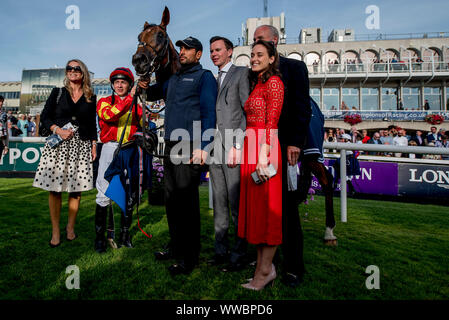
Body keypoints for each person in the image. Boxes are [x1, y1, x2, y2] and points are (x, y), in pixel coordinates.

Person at [139, 36, 217, 275]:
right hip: (171, 144)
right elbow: (152, 94)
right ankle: (175, 247)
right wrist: (143, 80)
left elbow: (209, 114)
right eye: (181, 48)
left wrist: (205, 147)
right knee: (171, 200)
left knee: (187, 203)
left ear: (198, 54)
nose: (182, 52)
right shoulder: (173, 78)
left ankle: (189, 258)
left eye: (188, 49)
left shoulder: (204, 78)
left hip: (191, 144)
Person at [253, 25, 312, 287]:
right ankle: (264, 266)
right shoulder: (254, 73)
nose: (256, 45)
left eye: (261, 40)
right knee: (264, 210)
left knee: (286, 209)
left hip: (284, 145)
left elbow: (302, 107)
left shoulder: (295, 68)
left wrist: (296, 143)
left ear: (275, 43)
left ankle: (293, 267)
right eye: (254, 41)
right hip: (259, 147)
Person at [33, 59, 97, 247]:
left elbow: (92, 123)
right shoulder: (58, 92)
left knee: (75, 190)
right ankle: (55, 230)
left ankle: (70, 227)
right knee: (55, 189)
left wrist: (94, 144)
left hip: (81, 145)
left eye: (77, 68)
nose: (73, 71)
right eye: (69, 68)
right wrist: (58, 130)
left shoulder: (90, 96)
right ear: (66, 72)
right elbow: (44, 117)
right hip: (59, 143)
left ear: (83, 72)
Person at [238, 39, 284, 291]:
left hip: (264, 148)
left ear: (271, 58)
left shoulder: (274, 83)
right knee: (257, 213)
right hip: (251, 146)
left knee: (267, 213)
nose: (254, 58)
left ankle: (265, 271)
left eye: (259, 55)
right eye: (252, 54)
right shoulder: (258, 83)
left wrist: (264, 155)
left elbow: (272, 122)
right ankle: (262, 269)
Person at [208, 36, 249, 271]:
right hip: (214, 148)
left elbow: (246, 111)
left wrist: (239, 145)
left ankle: (240, 252)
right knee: (219, 202)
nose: (214, 54)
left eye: (218, 50)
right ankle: (220, 251)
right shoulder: (212, 79)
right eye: (212, 50)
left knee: (236, 204)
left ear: (230, 52)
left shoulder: (241, 73)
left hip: (233, 147)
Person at [94, 67, 144, 253]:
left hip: (130, 149)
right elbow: (108, 115)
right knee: (104, 190)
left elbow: (143, 122)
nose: (120, 85)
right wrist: (131, 98)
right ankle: (100, 238)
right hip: (110, 149)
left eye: (123, 82)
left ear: (129, 84)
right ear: (113, 85)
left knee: (129, 193)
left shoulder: (137, 103)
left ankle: (124, 235)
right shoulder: (104, 102)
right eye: (117, 82)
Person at [0, 95, 9, 161]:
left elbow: (6, 131)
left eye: (2, 101)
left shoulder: (4, 115)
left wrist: (6, 145)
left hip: (0, 141)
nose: (1, 103)